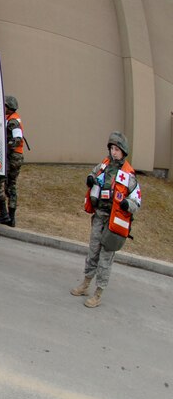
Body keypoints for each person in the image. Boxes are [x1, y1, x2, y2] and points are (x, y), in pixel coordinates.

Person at [70, 131, 142, 308]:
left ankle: (98, 292)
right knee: (93, 251)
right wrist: (90, 178)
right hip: (99, 216)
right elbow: (94, 174)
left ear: (123, 151)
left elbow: (137, 200)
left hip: (114, 221)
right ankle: (86, 284)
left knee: (106, 257)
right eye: (112, 148)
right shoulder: (104, 164)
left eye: (117, 149)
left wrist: (128, 204)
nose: (113, 152)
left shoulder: (129, 175)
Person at [0, 95, 25, 227]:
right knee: (11, 186)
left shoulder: (13, 122)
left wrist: (5, 146)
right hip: (15, 157)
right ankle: (11, 218)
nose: (2, 107)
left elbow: (17, 140)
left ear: (9, 107)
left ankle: (4, 215)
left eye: (4, 105)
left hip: (12, 157)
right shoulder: (11, 119)